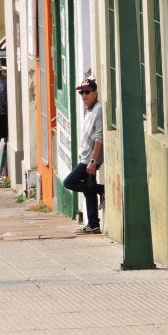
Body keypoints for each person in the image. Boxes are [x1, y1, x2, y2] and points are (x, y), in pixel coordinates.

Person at [63, 72, 105, 234]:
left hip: (89, 159)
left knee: (69, 182)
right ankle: (93, 223)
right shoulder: (90, 110)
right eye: (82, 92)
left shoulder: (99, 110)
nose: (84, 95)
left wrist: (93, 161)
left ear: (95, 92)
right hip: (86, 157)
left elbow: (99, 137)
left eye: (87, 91)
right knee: (88, 191)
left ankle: (101, 189)